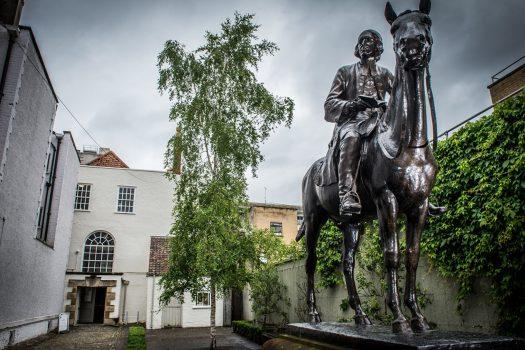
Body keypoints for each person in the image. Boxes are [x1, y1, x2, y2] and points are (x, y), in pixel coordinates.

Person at [324, 29, 392, 216]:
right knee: (352, 138)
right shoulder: (345, 72)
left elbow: (401, 98)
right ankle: (347, 194)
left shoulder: (385, 74)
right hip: (353, 122)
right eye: (361, 41)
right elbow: (329, 105)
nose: (364, 44)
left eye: (369, 41)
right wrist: (353, 105)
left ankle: (415, 191)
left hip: (380, 123)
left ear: (378, 47)